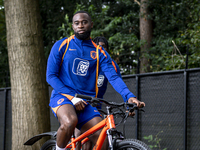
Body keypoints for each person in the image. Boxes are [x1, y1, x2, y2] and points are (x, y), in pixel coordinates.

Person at [46, 10, 145, 150]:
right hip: (64, 97)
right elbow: (51, 76)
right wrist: (73, 97)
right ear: (73, 26)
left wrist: (129, 96)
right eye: (77, 23)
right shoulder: (62, 45)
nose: (80, 26)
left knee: (103, 139)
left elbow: (114, 77)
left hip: (87, 102)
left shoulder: (100, 52)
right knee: (70, 122)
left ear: (91, 25)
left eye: (84, 22)